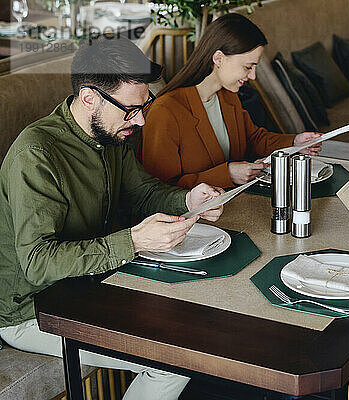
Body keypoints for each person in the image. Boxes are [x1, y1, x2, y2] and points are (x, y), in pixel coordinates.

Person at [0, 37, 225, 400]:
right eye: (130, 110)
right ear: (89, 97)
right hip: (34, 310)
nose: (139, 120)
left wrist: (188, 197)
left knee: (199, 316)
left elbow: (143, 192)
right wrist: (134, 242)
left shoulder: (110, 135)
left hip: (91, 285)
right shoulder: (36, 154)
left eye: (144, 106)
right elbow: (37, 264)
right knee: (173, 359)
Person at [141, 13, 321, 189]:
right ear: (218, 58)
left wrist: (295, 142)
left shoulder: (227, 95)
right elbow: (159, 190)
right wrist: (227, 175)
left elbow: (253, 139)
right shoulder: (165, 111)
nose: (253, 76)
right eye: (248, 67)